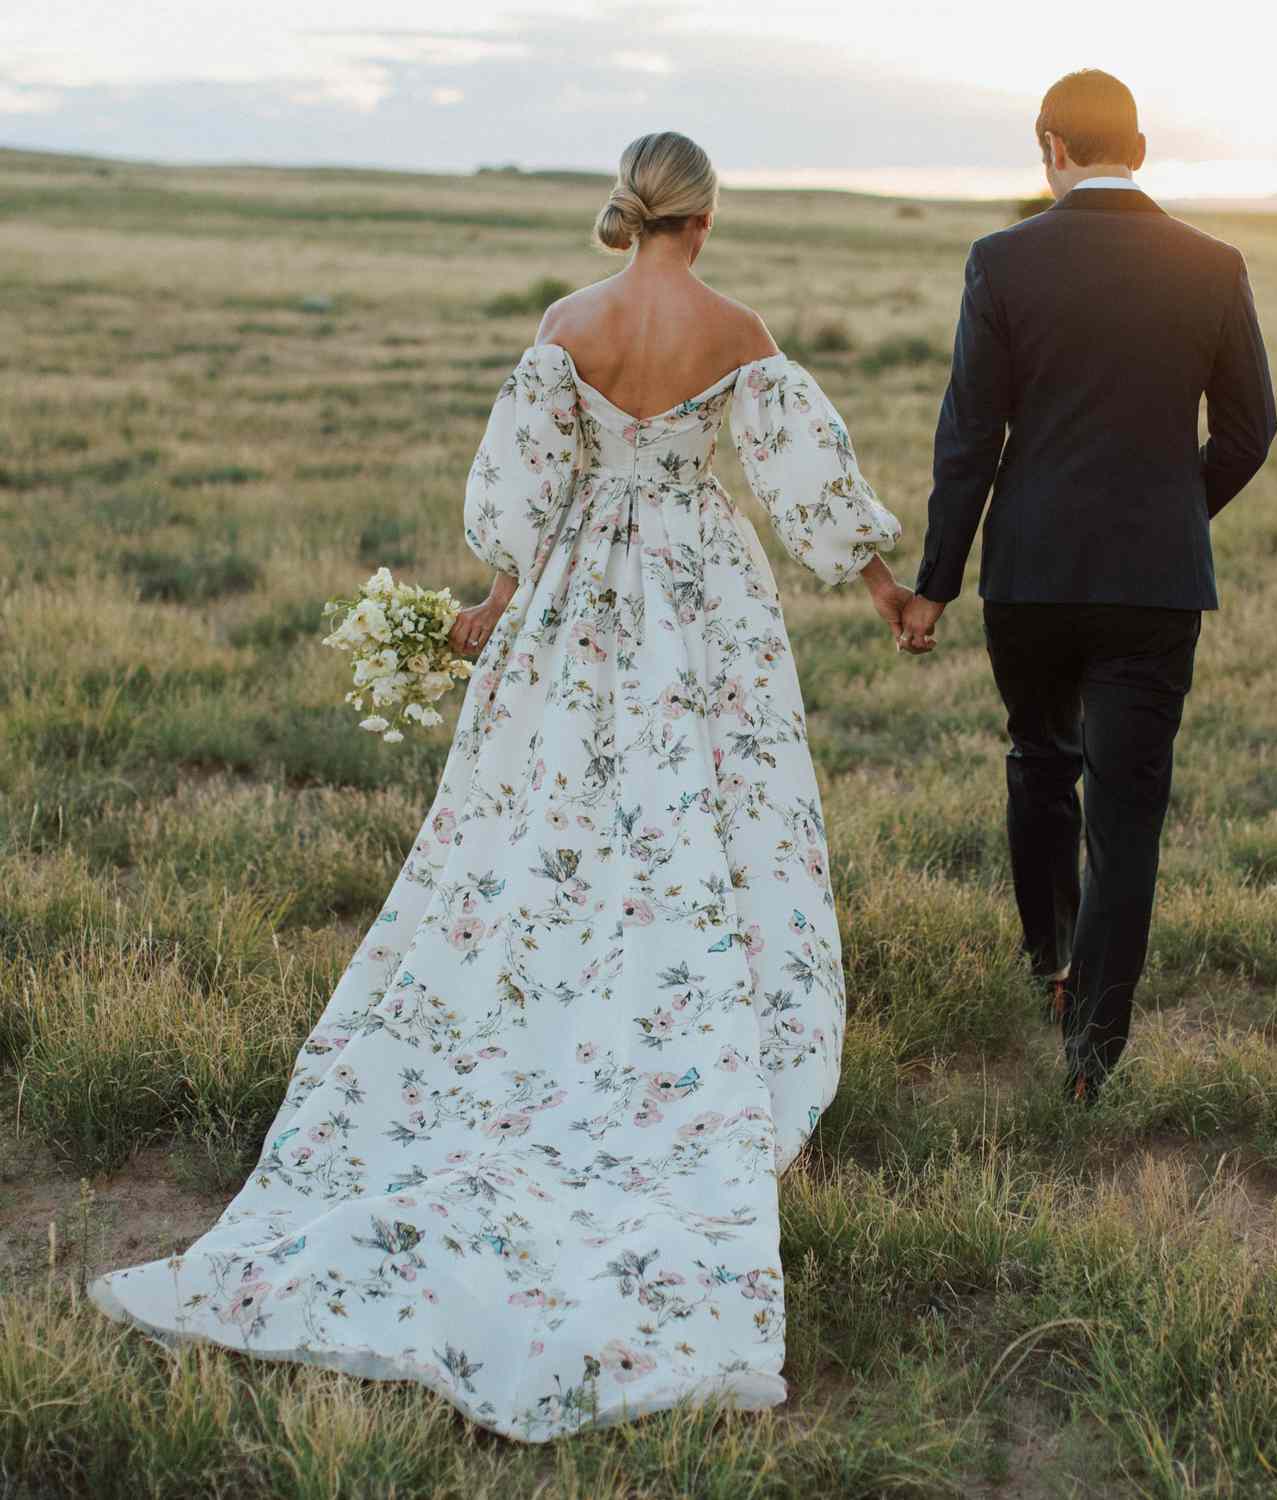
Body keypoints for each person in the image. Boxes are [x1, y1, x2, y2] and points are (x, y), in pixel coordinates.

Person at [88, 130, 907, 1441]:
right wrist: (885, 590)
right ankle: (669, 1007)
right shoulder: (738, 326)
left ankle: (557, 987)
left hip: (582, 594)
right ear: (703, 217)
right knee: (702, 810)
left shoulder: (567, 322)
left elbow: (525, 487)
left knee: (544, 818)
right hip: (701, 597)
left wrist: (494, 600)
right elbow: (810, 481)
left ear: (631, 212)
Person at [899, 70, 1277, 1104]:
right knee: (1129, 813)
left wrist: (934, 585)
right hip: (1153, 584)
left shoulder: (1003, 260)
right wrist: (1168, 514)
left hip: (1030, 572)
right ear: (1140, 148)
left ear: (1050, 147)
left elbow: (970, 436)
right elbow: (1250, 434)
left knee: (1037, 760)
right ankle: (1094, 1050)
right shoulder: (1214, 264)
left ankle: (1048, 966)